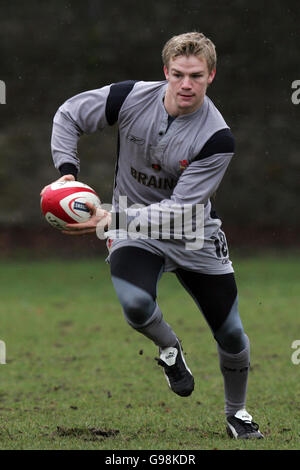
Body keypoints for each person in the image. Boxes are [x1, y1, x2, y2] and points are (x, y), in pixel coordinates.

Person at [42, 32, 264, 439]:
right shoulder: (129, 98)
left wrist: (114, 215)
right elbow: (69, 113)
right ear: (165, 71)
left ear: (211, 75)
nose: (186, 84)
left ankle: (238, 413)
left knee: (230, 331)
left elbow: (181, 210)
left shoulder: (217, 138)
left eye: (196, 76)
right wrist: (67, 173)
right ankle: (170, 349)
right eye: (178, 74)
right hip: (133, 232)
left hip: (193, 233)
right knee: (136, 304)